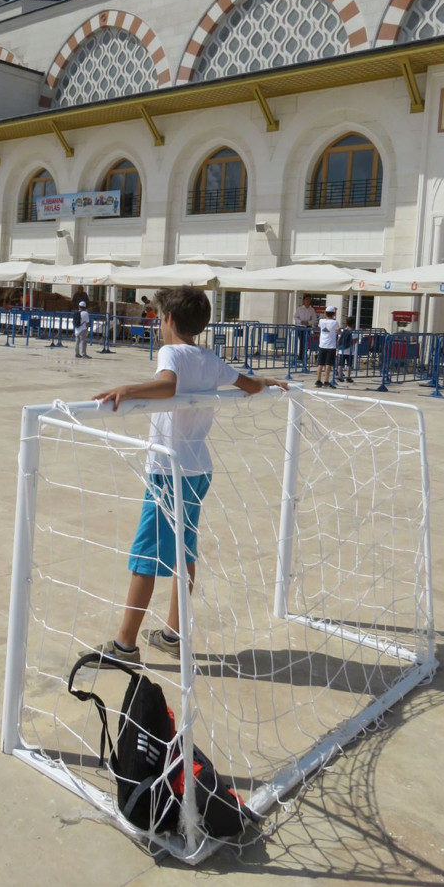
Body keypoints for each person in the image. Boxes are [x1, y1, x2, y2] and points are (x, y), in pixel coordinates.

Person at [82, 286, 287, 667]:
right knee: (183, 549)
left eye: (160, 318)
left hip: (168, 470)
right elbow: (247, 384)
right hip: (197, 469)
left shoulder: (171, 352)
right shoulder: (209, 357)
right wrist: (267, 382)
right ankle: (174, 633)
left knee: (145, 555)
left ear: (169, 320)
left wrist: (129, 390)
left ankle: (124, 646)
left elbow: (167, 386)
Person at [315, 304, 340, 388]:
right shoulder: (335, 322)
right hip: (331, 345)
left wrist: (330, 312)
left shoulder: (321, 321)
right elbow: (339, 331)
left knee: (320, 364)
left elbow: (324, 320)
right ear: (333, 314)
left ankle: (318, 380)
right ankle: (326, 381)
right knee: (328, 364)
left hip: (322, 344)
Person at [294, 295, 318, 364]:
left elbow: (314, 319)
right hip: (300, 327)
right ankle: (301, 356)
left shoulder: (312, 309)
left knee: (306, 342)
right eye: (306, 299)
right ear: (304, 300)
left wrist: (308, 322)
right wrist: (300, 321)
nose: (308, 301)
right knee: (302, 341)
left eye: (309, 299)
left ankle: (304, 355)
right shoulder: (299, 308)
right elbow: (295, 317)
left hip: (307, 327)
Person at [336, 317, 356, 383]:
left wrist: (339, 347)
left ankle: (339, 376)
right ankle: (348, 377)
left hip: (342, 350)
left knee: (340, 364)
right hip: (350, 351)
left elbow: (338, 340)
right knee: (349, 364)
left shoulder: (342, 331)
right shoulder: (353, 332)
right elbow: (354, 341)